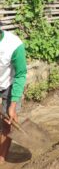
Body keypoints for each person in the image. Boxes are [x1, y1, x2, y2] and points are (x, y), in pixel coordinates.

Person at [0, 29, 27, 163]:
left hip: (8, 85)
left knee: (8, 122)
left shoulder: (14, 45)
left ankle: (2, 156)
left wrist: (13, 104)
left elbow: (20, 74)